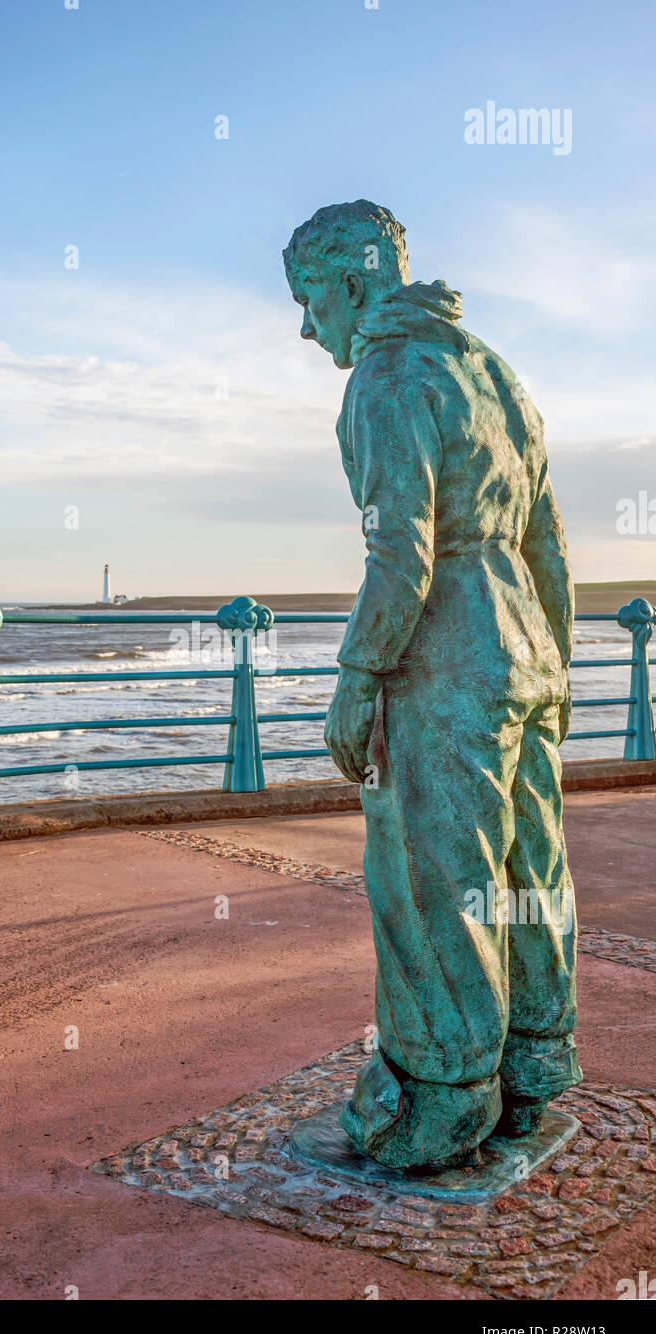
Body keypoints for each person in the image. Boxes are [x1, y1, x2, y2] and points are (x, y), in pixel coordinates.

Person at [284, 201, 582, 1171]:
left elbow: (398, 551)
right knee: (525, 873)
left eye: (307, 299)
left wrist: (356, 676)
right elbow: (548, 547)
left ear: (353, 283)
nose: (304, 325)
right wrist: (557, 666)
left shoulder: (385, 374)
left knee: (429, 879)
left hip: (443, 663)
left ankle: (445, 1097)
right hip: (523, 658)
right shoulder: (494, 374)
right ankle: (535, 1067)